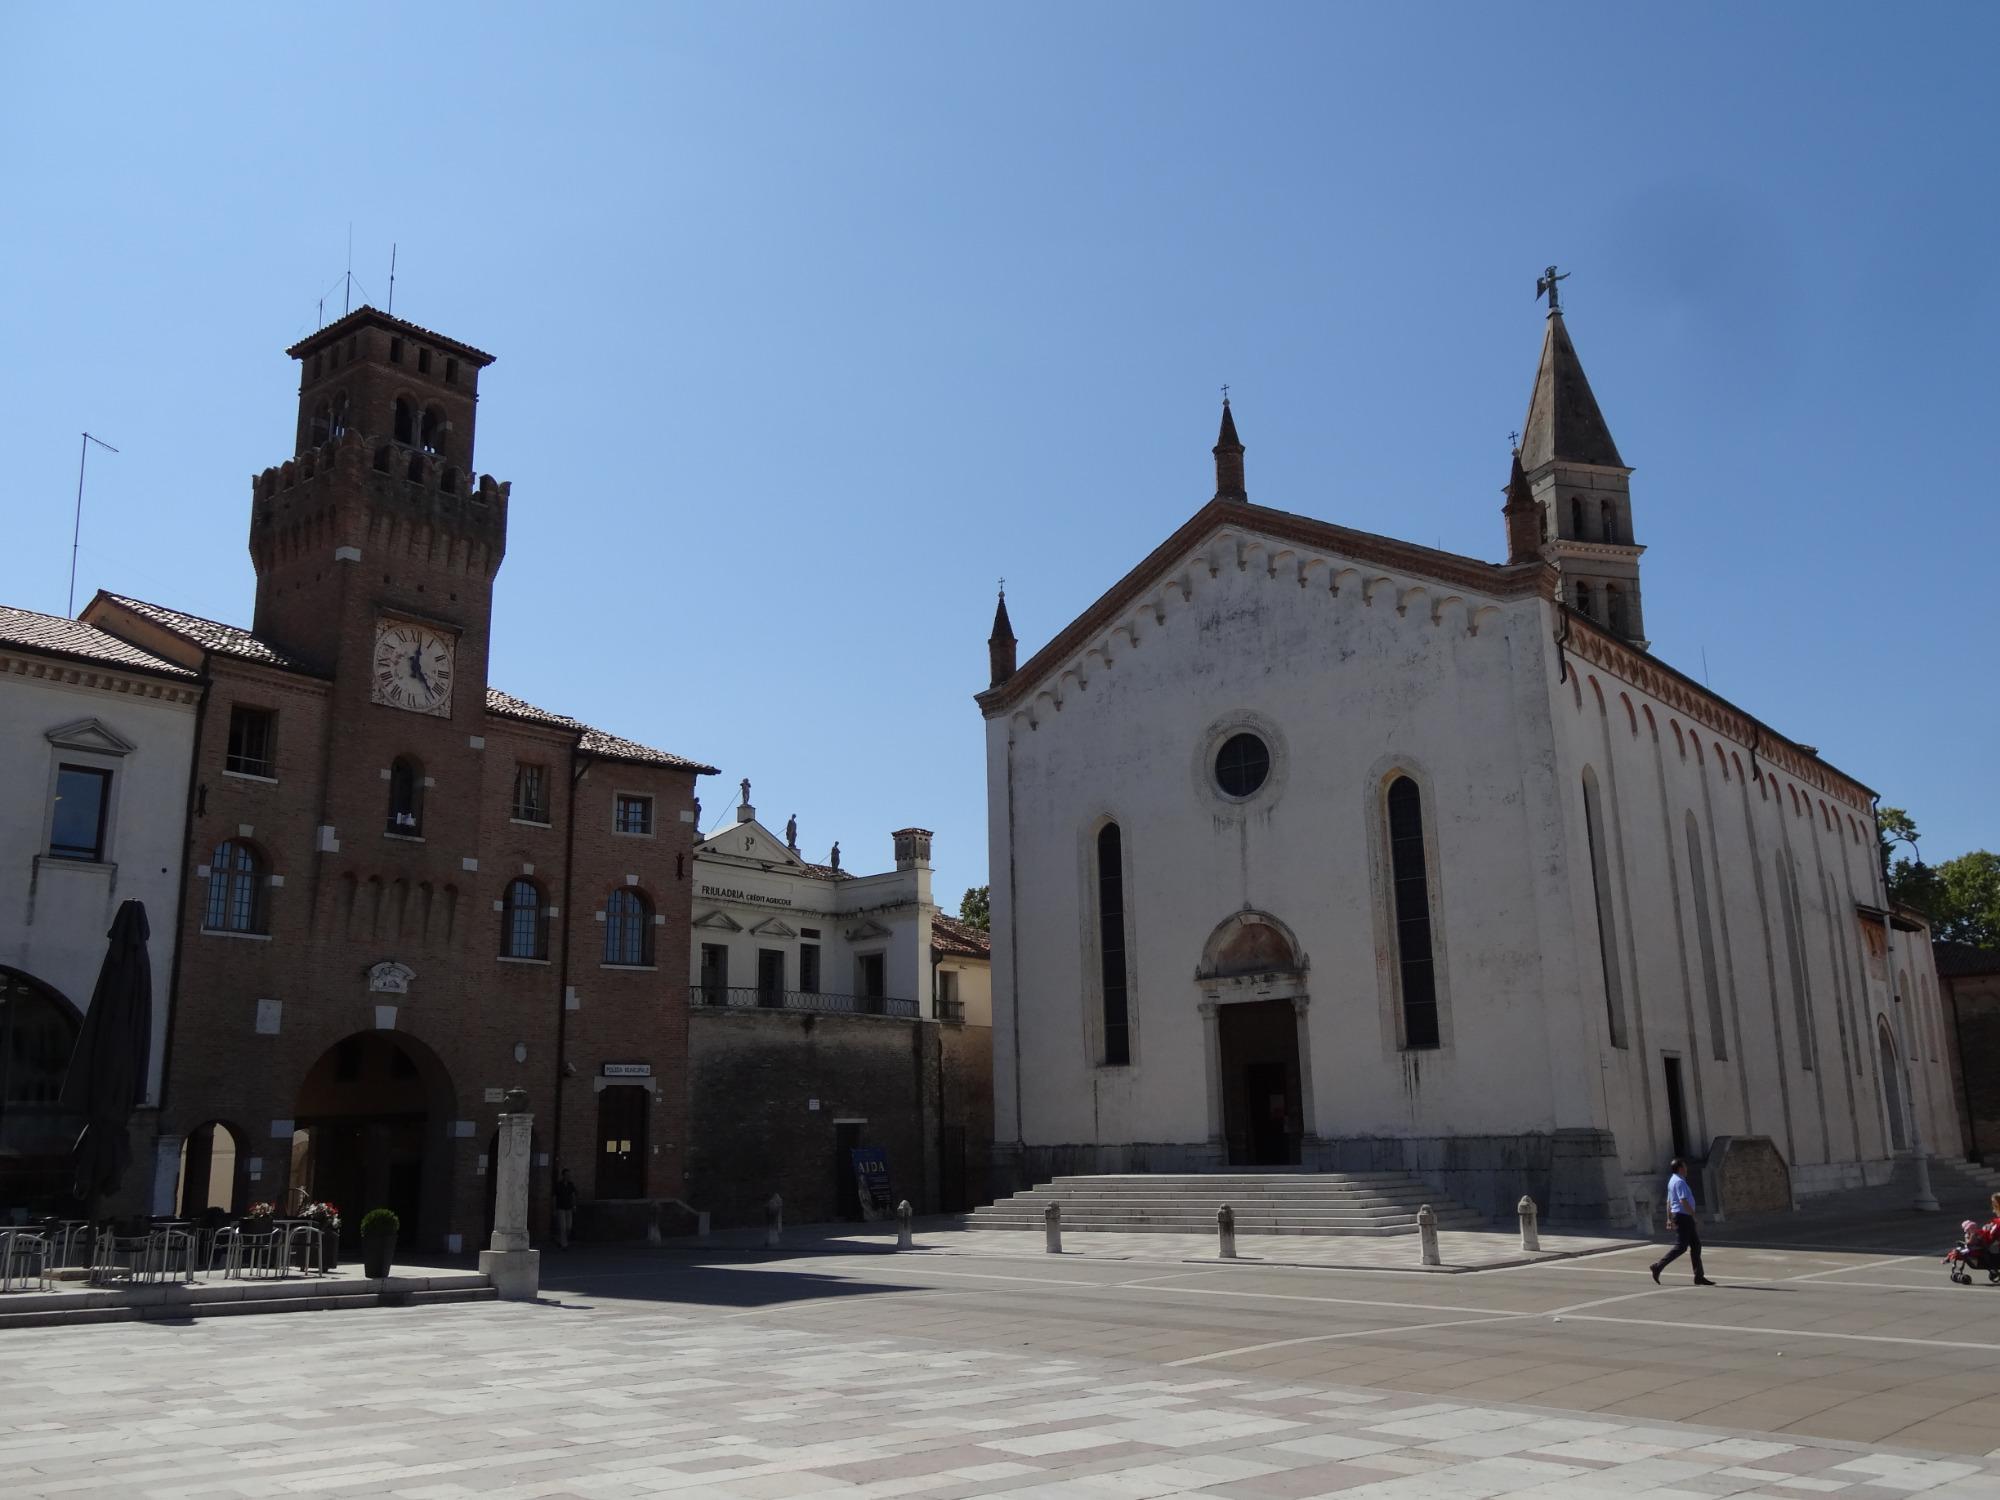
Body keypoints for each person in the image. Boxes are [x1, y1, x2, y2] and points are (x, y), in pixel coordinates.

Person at [1650, 1157, 1714, 1285]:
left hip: (1680, 1216)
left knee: (1695, 1245)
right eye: (1684, 1166)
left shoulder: (1672, 1181)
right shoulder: (1679, 1182)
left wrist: (1669, 1218)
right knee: (1681, 1246)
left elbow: (1669, 1201)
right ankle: (1658, 1266)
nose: (1686, 1168)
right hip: (1683, 1216)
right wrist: (1694, 1216)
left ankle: (1699, 1276)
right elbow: (1683, 1201)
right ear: (1680, 1168)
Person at [552, 1168, 578, 1250]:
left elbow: (573, 1195)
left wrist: (574, 1205)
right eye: (566, 1175)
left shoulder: (571, 1185)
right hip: (560, 1208)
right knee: (562, 1226)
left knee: (568, 1227)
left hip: (569, 1208)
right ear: (563, 1175)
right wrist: (554, 1208)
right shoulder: (558, 1185)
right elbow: (554, 1197)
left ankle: (560, 1240)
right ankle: (564, 1244)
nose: (568, 1176)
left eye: (569, 1175)